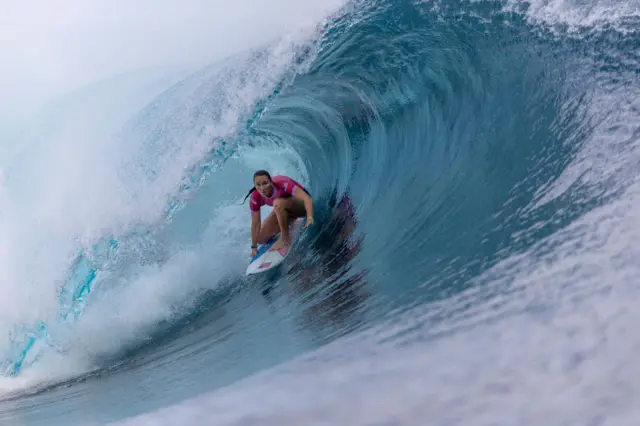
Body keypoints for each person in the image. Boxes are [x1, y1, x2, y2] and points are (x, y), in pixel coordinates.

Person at [242, 170, 314, 257]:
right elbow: (255, 223)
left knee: (277, 203)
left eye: (265, 183)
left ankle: (284, 238)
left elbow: (307, 199)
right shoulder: (255, 197)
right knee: (260, 238)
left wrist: (310, 217)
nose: (262, 188)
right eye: (258, 185)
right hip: (283, 207)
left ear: (271, 182)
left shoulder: (283, 183)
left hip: (302, 207)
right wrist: (254, 247)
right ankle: (289, 220)